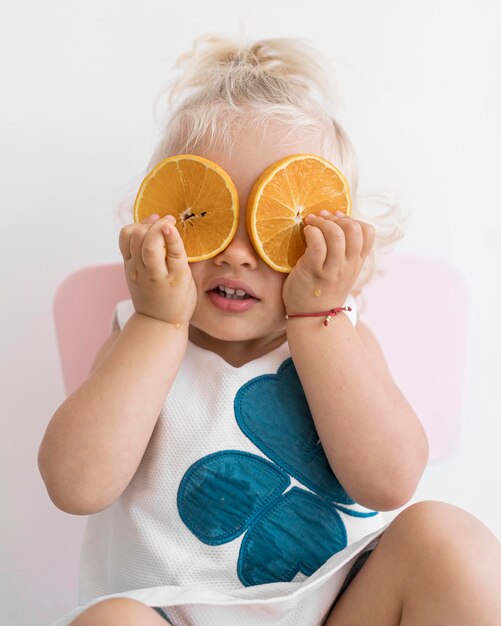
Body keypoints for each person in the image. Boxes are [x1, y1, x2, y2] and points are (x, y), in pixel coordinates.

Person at [39, 34, 501, 626]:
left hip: (339, 606)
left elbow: (389, 483)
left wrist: (316, 319)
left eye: (276, 226)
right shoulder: (142, 337)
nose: (236, 254)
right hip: (171, 613)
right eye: (205, 215)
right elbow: (75, 486)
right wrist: (158, 322)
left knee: (445, 537)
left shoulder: (340, 334)